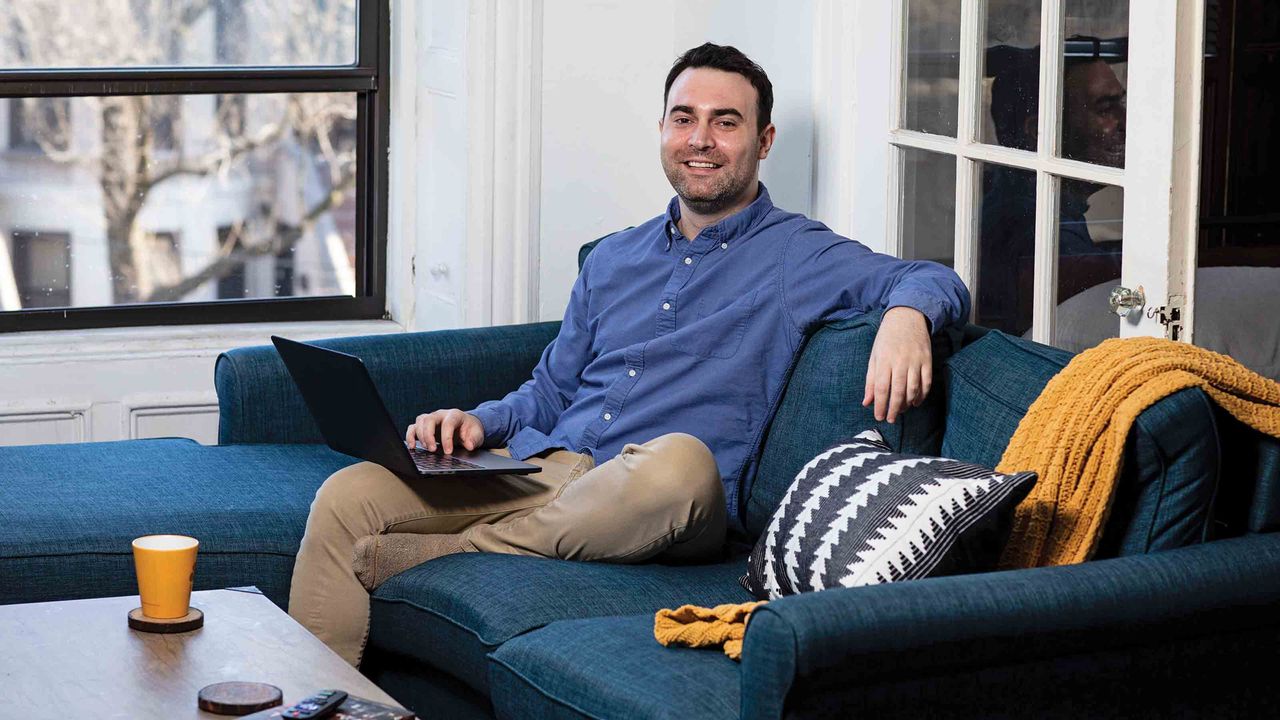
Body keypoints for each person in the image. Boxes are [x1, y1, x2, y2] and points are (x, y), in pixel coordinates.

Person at [287, 42, 971, 666]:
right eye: (684, 118)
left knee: (680, 464)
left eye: (725, 122)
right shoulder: (614, 255)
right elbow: (550, 392)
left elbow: (929, 277)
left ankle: (453, 552)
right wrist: (478, 422)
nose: (701, 139)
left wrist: (908, 315)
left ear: (762, 142)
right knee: (351, 494)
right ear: (664, 130)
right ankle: (316, 704)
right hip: (545, 469)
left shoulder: (798, 254)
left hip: (665, 499)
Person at [979, 40, 1127, 335]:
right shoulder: (1041, 226)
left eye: (1121, 104)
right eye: (1105, 109)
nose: (1125, 121)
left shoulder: (1018, 193)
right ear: (1039, 131)